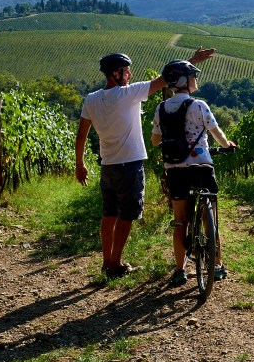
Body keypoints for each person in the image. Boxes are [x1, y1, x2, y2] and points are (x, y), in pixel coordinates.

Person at [75, 47, 214, 279]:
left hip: (107, 165)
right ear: (116, 74)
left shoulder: (91, 99)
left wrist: (80, 165)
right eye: (127, 71)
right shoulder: (128, 93)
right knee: (126, 215)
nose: (130, 75)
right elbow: (167, 78)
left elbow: (81, 135)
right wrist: (194, 60)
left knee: (108, 214)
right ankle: (115, 265)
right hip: (129, 165)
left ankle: (107, 261)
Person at [151, 60, 235, 286]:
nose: (196, 79)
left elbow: (155, 140)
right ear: (183, 81)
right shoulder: (199, 105)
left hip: (175, 169)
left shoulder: (161, 108)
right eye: (192, 76)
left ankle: (180, 270)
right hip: (201, 167)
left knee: (180, 220)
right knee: (212, 219)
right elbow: (217, 133)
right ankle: (216, 266)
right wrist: (227, 145)